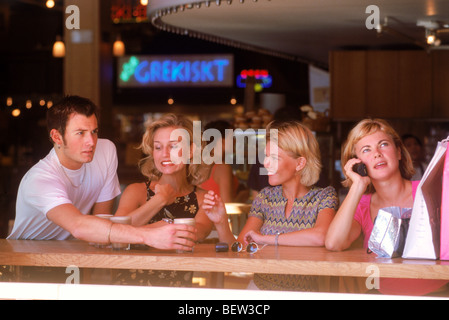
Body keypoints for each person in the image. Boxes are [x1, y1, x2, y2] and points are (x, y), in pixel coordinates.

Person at [8, 96, 196, 252]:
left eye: (94, 131)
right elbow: (79, 226)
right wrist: (147, 235)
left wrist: (154, 230)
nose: (91, 141)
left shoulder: (105, 151)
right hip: (27, 257)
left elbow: (102, 225)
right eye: (80, 133)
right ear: (57, 137)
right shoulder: (40, 179)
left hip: (73, 253)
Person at [203, 120, 338, 291]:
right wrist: (221, 221)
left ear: (300, 163)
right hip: (259, 291)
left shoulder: (324, 196)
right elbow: (239, 249)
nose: (266, 163)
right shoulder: (266, 197)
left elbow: (321, 236)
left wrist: (265, 239)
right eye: (266, 156)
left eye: (274, 157)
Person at [325, 118, 447, 295]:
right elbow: (334, 243)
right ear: (358, 164)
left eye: (383, 145)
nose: (377, 154)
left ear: (398, 152)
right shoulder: (362, 205)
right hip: (382, 294)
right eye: (366, 150)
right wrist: (357, 185)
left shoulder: (428, 191)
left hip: (437, 292)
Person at [113, 113, 213, 286]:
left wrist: (144, 230)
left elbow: (194, 234)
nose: (164, 154)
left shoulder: (203, 199)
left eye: (173, 146)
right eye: (158, 147)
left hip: (177, 292)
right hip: (129, 290)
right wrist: (159, 200)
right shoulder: (135, 192)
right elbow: (116, 235)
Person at [199, 120, 240, 203]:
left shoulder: (201, 164)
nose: (235, 141)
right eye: (232, 137)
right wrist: (242, 196)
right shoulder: (223, 167)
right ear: (221, 140)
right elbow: (227, 206)